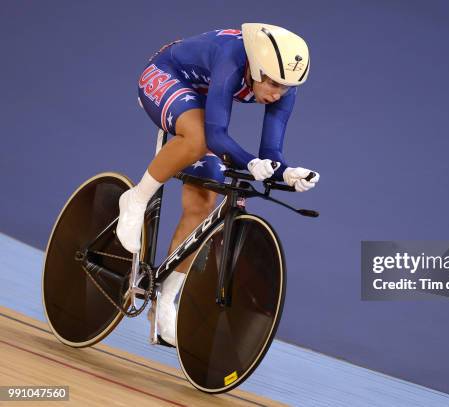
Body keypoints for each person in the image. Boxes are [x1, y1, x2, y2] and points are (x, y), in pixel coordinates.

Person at [116, 23, 320, 346]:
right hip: (166, 74)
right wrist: (250, 163)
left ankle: (166, 301)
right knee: (197, 139)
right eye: (272, 83)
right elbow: (216, 136)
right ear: (258, 65)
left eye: (286, 87)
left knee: (203, 204)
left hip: (201, 97)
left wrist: (287, 173)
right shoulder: (232, 59)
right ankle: (136, 199)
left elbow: (270, 154)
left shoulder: (284, 88)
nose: (277, 93)